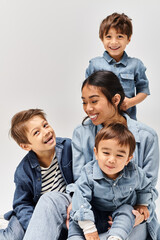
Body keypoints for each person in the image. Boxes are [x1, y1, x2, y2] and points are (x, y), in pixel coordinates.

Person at [23, 71, 159, 240]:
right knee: (49, 200)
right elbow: (80, 179)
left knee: (127, 228)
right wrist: (77, 206)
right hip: (88, 206)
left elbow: (148, 188)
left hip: (125, 212)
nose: (88, 109)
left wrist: (140, 212)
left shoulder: (147, 137)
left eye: (94, 101)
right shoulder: (81, 132)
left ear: (115, 100)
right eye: (84, 102)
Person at [68, 123, 153, 240]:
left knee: (128, 210)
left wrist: (142, 204)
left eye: (119, 155)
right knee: (77, 213)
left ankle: (116, 237)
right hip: (94, 214)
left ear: (128, 159)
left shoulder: (134, 173)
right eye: (106, 153)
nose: (112, 160)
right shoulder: (88, 173)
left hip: (118, 217)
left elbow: (146, 187)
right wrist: (88, 228)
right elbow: (81, 197)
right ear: (96, 153)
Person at [0, 109, 73, 240]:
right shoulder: (23, 170)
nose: (46, 132)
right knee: (12, 236)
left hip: (60, 209)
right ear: (26, 146)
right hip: (32, 213)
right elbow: (22, 204)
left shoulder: (69, 147)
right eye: (36, 132)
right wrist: (36, 226)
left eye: (45, 125)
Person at [85, 12, 150, 120]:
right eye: (109, 37)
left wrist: (130, 102)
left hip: (127, 120)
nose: (114, 42)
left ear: (128, 39)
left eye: (119, 36)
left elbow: (143, 90)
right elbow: (87, 92)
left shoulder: (136, 65)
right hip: (101, 119)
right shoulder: (95, 64)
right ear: (102, 39)